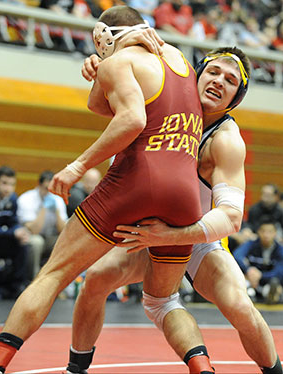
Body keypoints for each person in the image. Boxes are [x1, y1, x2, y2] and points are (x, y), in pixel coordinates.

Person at [0, 6, 215, 374]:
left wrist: (78, 166)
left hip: (136, 182)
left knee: (53, 274)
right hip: (185, 193)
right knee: (164, 301)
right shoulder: (179, 58)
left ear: (105, 37)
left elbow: (132, 118)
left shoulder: (119, 63)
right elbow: (101, 103)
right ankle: (202, 367)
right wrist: (100, 73)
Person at [68, 42, 282, 374]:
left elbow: (231, 218)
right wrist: (102, 69)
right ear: (196, 74)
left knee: (239, 305)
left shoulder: (224, 140)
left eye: (229, 80)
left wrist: (173, 235)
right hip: (145, 230)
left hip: (196, 237)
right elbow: (112, 94)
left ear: (236, 98)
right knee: (95, 280)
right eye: (213, 71)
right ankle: (75, 369)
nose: (218, 81)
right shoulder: (162, 99)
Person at [0, 166, 30, 299]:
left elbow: (13, 222)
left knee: (22, 243)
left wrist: (18, 231)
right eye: (4, 183)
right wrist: (11, 233)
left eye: (11, 184)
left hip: (0, 235)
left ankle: (16, 285)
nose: (7, 188)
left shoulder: (12, 199)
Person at [17, 170, 68, 280]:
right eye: (46, 189)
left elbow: (62, 230)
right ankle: (34, 280)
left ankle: (55, 281)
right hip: (30, 236)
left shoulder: (57, 200)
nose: (50, 192)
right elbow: (34, 230)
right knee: (36, 242)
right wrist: (44, 208)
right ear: (39, 185)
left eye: (52, 189)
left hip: (49, 237)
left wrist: (57, 212)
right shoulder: (26, 199)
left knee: (64, 242)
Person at [234, 218, 283, 304]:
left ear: (275, 233)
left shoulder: (279, 250)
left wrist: (261, 275)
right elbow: (237, 256)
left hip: (268, 279)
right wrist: (248, 270)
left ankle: (270, 293)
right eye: (263, 231)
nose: (266, 235)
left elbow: (279, 271)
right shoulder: (251, 244)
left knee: (275, 281)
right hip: (250, 278)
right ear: (258, 232)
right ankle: (249, 293)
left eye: (270, 232)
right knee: (240, 279)